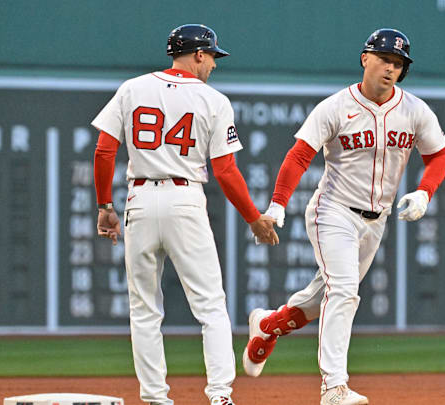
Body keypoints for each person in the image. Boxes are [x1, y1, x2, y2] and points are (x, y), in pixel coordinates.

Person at [242, 28, 445, 405]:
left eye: (398, 64)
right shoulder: (336, 106)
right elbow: (299, 156)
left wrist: (424, 192)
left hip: (377, 220)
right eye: (385, 59)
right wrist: (276, 205)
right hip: (333, 210)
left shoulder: (414, 110)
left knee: (319, 298)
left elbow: (440, 157)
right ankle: (333, 387)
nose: (391, 69)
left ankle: (268, 325)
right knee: (344, 291)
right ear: (365, 59)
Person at [92, 23, 278, 405]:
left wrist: (104, 206)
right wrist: (252, 217)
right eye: (211, 56)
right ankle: (221, 396)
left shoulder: (132, 89)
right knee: (210, 305)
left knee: (144, 309)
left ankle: (156, 399)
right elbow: (226, 171)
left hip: (139, 199)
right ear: (197, 54)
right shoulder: (213, 100)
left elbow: (104, 151)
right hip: (184, 199)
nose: (213, 64)